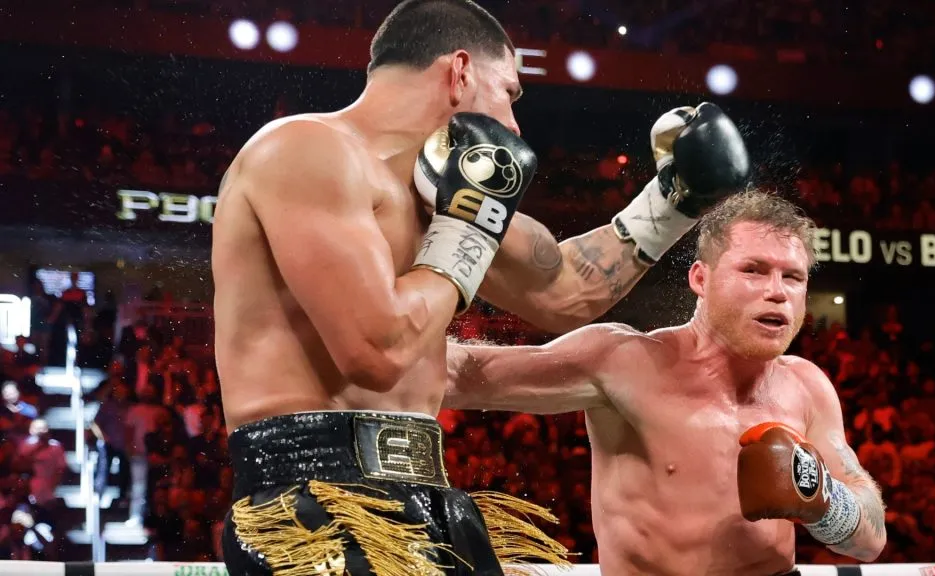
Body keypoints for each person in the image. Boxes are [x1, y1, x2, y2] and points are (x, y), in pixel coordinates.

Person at [212, 0, 749, 573]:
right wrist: (466, 226)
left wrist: (673, 200)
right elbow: (375, 350)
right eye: (510, 92)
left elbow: (566, 291)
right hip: (312, 503)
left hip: (427, 496)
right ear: (460, 71)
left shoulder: (444, 193)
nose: (515, 126)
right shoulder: (306, 151)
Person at [447, 191, 888, 575]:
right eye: (753, 270)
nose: (777, 291)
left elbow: (870, 541)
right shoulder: (624, 362)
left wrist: (825, 500)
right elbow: (458, 373)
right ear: (700, 277)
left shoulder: (806, 386)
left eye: (792, 276)